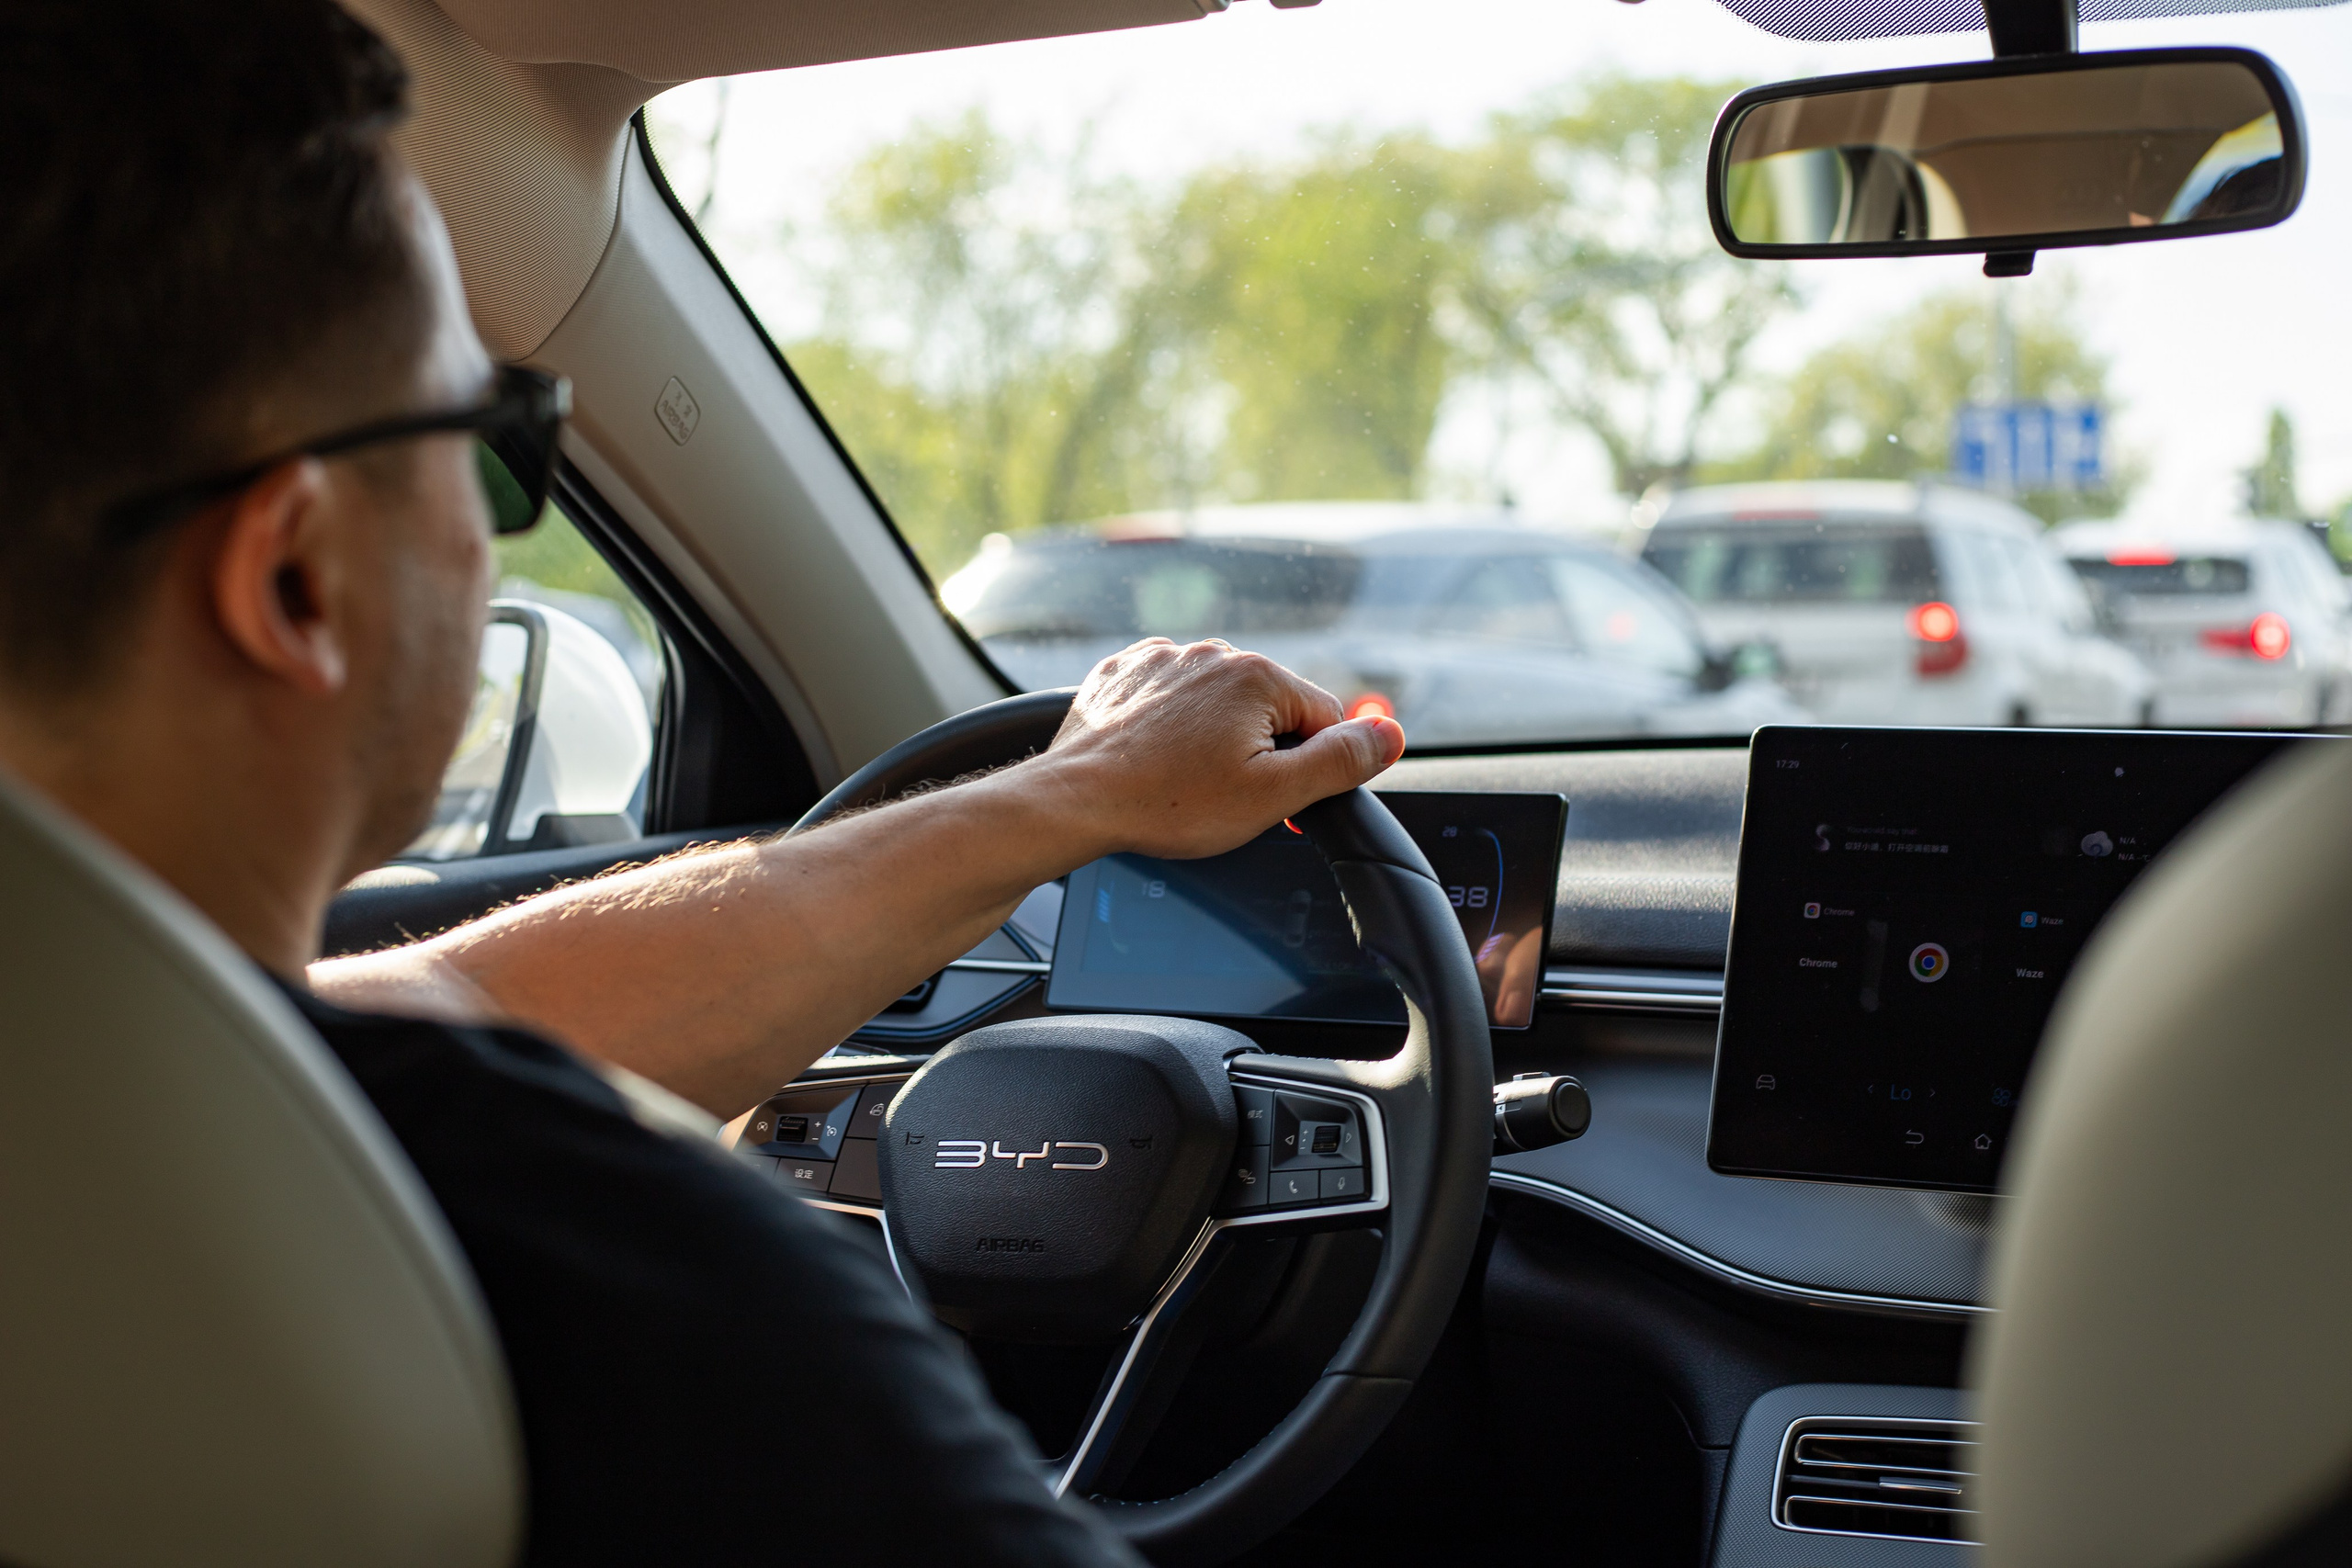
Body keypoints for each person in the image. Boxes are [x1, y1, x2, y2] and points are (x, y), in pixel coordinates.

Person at [0, 3, 1407, 1563]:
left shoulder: (127, 1108)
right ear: (297, 582)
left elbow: (409, 1012)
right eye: (493, 437)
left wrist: (1065, 802)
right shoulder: (608, 1263)